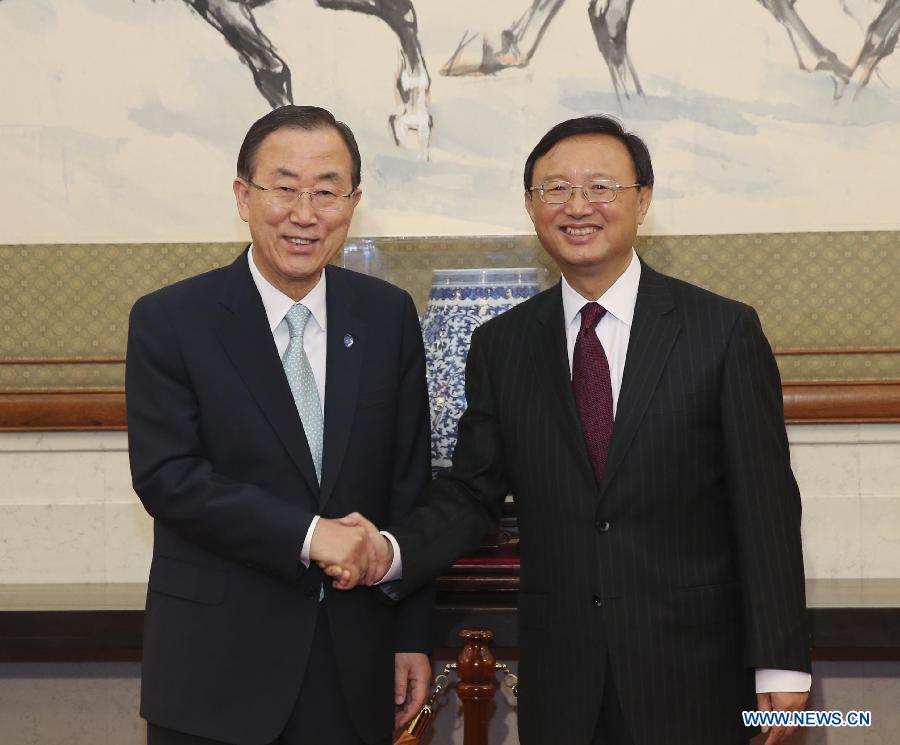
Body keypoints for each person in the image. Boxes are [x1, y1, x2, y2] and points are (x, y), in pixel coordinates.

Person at [338, 115, 812, 745]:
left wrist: (780, 662)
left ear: (642, 200)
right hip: (562, 678)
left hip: (695, 672)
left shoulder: (721, 331)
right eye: (554, 189)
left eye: (601, 188)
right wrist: (391, 552)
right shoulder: (502, 346)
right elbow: (470, 493)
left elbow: (766, 508)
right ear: (532, 207)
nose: (577, 206)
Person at [126, 105, 433, 745]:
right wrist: (307, 534)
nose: (305, 213)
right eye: (285, 188)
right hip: (214, 667)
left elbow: (409, 485)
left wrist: (410, 636)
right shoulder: (172, 319)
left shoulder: (386, 316)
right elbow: (168, 478)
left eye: (326, 192)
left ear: (353, 203)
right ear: (244, 196)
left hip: (352, 661)